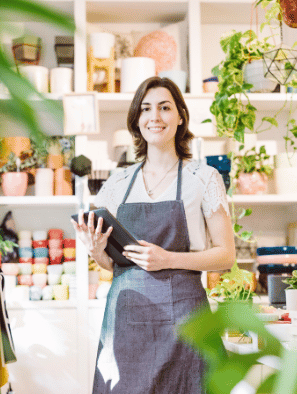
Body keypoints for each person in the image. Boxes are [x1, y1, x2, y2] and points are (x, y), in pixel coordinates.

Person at [70, 76, 235, 394]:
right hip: (127, 323)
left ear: (180, 117)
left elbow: (225, 255)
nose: (154, 117)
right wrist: (96, 250)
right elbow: (114, 265)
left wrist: (168, 258)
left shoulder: (202, 177)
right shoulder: (117, 183)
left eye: (164, 107)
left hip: (186, 320)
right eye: (145, 109)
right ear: (136, 119)